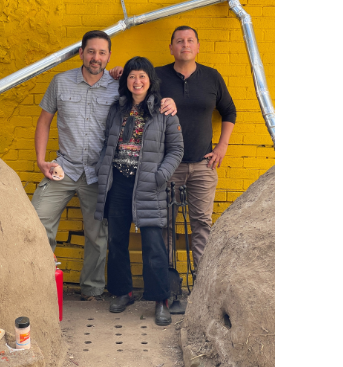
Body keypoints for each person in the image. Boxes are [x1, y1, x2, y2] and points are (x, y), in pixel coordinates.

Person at [33, 30, 176, 302]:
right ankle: (39, 287)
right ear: (81, 53)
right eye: (91, 51)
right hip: (63, 166)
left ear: (109, 57)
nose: (95, 57)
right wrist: (41, 161)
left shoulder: (118, 86)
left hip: (99, 173)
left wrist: (168, 100)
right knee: (38, 222)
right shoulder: (60, 82)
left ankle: (92, 289)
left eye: (101, 53)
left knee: (98, 235)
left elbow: (145, 97)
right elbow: (44, 121)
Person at [94, 56, 184, 326]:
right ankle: (124, 293)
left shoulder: (164, 111)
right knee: (117, 242)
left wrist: (161, 175)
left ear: (150, 81)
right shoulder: (117, 109)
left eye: (142, 76)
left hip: (149, 185)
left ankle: (160, 300)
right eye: (132, 76)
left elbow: (177, 150)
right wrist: (103, 169)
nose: (137, 81)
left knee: (153, 246)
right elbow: (107, 144)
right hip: (118, 183)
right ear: (126, 81)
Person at [156, 26, 237, 313]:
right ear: (171, 48)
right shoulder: (158, 76)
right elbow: (135, 98)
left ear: (198, 47)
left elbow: (229, 112)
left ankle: (201, 291)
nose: (185, 45)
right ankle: (167, 291)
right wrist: (120, 73)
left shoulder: (211, 76)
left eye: (190, 40)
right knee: (165, 225)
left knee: (202, 224)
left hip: (203, 166)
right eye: (179, 41)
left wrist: (222, 147)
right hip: (166, 166)